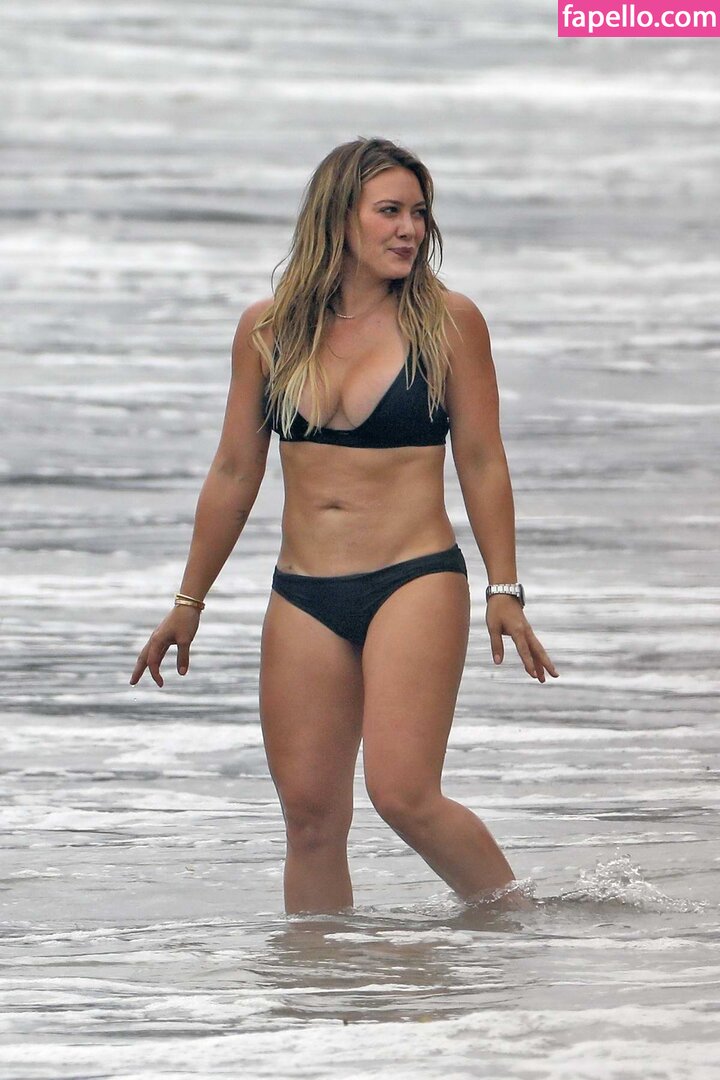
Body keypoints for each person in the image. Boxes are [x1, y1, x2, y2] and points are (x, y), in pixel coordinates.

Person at [130, 136, 559, 915]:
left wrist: (505, 587)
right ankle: (322, 976)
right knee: (310, 820)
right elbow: (234, 471)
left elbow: (481, 458)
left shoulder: (449, 323)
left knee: (403, 794)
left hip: (412, 577)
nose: (410, 229)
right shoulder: (269, 330)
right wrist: (188, 602)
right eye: (390, 211)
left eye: (419, 213)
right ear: (339, 217)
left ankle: (519, 927)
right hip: (304, 594)